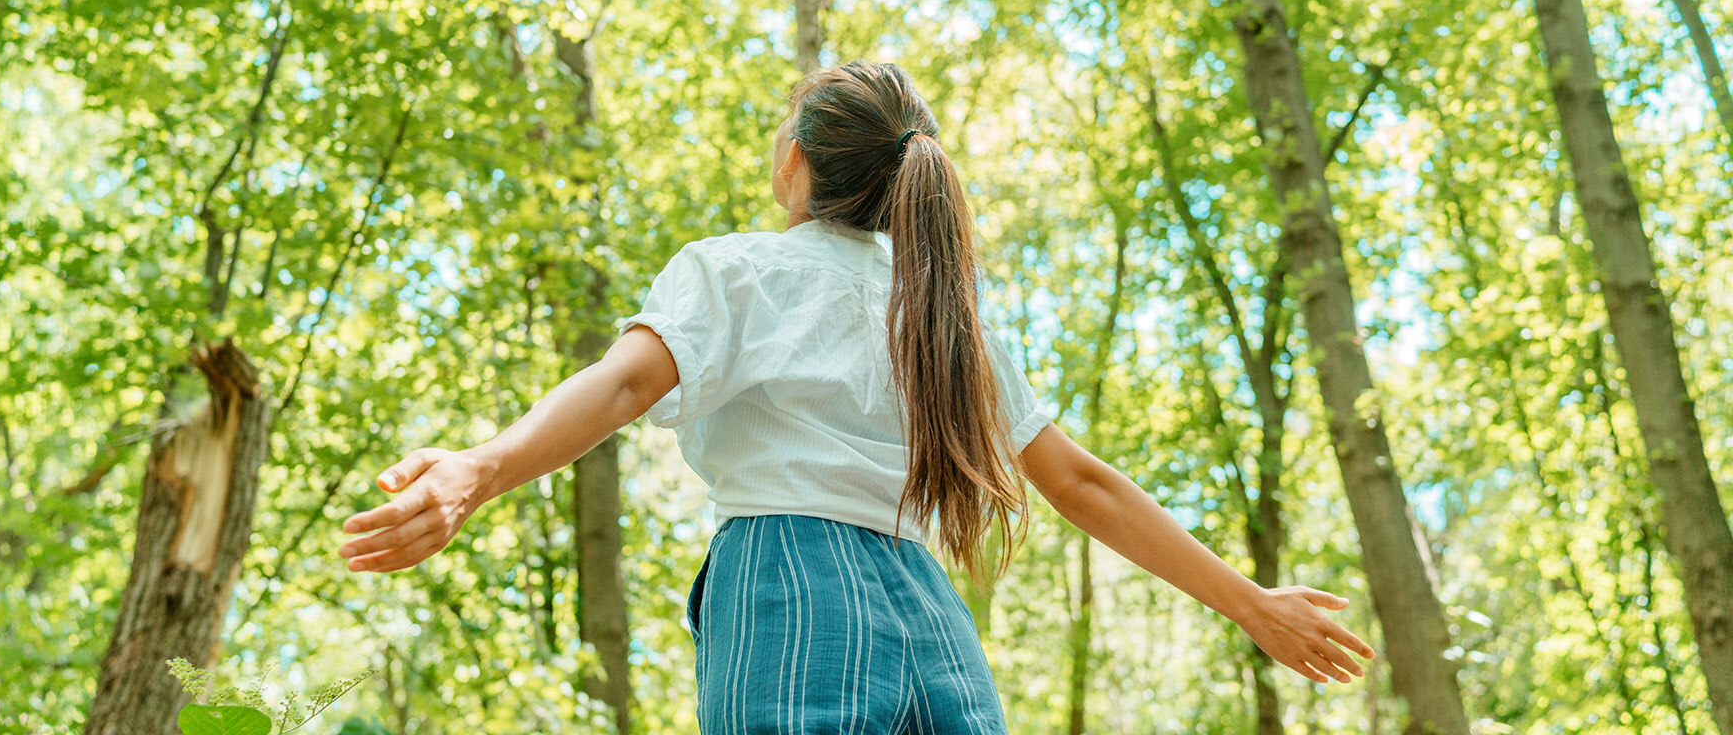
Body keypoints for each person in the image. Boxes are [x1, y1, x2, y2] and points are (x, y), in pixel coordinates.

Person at [338, 60, 1374, 733]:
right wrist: (1250, 602)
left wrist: (480, 465)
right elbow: (1082, 482)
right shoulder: (947, 318)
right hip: (926, 607)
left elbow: (618, 388)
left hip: (787, 580)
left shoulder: (738, 269)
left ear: (795, 160)